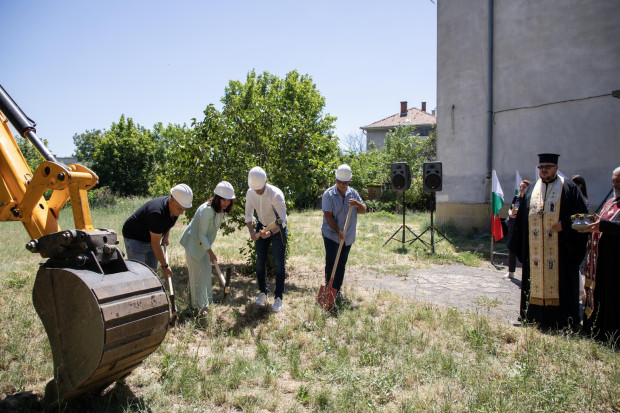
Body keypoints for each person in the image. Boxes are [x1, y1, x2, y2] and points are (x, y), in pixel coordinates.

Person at [508, 153, 588, 329]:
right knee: (533, 282)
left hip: (560, 251)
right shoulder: (532, 189)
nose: (543, 170)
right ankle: (533, 317)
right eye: (541, 167)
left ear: (556, 168)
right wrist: (515, 218)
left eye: (548, 167)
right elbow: (522, 216)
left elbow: (583, 216)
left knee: (562, 284)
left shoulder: (569, 188)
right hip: (535, 251)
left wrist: (566, 224)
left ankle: (564, 320)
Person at [179, 181, 235, 315]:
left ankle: (205, 303)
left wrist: (208, 250)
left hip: (204, 246)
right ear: (217, 198)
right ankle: (198, 309)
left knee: (205, 275)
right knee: (197, 277)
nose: (226, 203)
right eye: (223, 200)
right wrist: (211, 253)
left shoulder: (220, 211)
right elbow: (201, 234)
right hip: (194, 245)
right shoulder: (206, 210)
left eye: (229, 200)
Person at [582, 166, 620, 343]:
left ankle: (610, 336)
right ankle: (596, 331)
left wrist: (603, 225)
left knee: (612, 301)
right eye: (613, 180)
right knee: (600, 298)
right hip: (601, 263)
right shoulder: (611, 201)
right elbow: (600, 220)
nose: (615, 183)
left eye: (618, 180)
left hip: (615, 264)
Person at [122, 184, 193, 277]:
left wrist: (166, 236)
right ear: (171, 201)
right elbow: (155, 244)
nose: (181, 212)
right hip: (135, 237)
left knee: (152, 272)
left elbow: (168, 222)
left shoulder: (175, 209)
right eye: (180, 209)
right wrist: (165, 266)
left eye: (184, 209)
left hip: (151, 237)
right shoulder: (157, 213)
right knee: (139, 274)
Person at [245, 167, 288, 312]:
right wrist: (252, 231)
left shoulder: (276, 194)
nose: (257, 191)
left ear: (266, 182)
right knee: (260, 262)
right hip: (261, 224)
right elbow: (249, 214)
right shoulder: (251, 192)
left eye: (260, 189)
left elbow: (283, 221)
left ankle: (278, 297)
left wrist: (270, 233)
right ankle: (263, 292)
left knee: (278, 263)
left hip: (277, 227)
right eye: (254, 189)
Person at [321, 164, 366, 302]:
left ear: (349, 182)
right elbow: (328, 216)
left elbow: (363, 209)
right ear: (335, 179)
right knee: (332, 260)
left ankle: (337, 290)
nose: (341, 185)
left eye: (345, 183)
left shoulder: (353, 193)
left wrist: (357, 204)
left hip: (347, 235)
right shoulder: (328, 194)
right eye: (339, 182)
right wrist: (338, 231)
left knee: (341, 262)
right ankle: (329, 289)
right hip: (331, 233)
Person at [504, 179, 531, 279]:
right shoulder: (516, 198)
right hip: (513, 225)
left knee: (523, 249)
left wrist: (519, 213)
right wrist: (511, 213)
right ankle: (510, 271)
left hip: (523, 227)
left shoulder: (529, 199)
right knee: (511, 248)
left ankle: (526, 272)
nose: (521, 188)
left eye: (524, 187)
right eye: (520, 186)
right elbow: (511, 208)